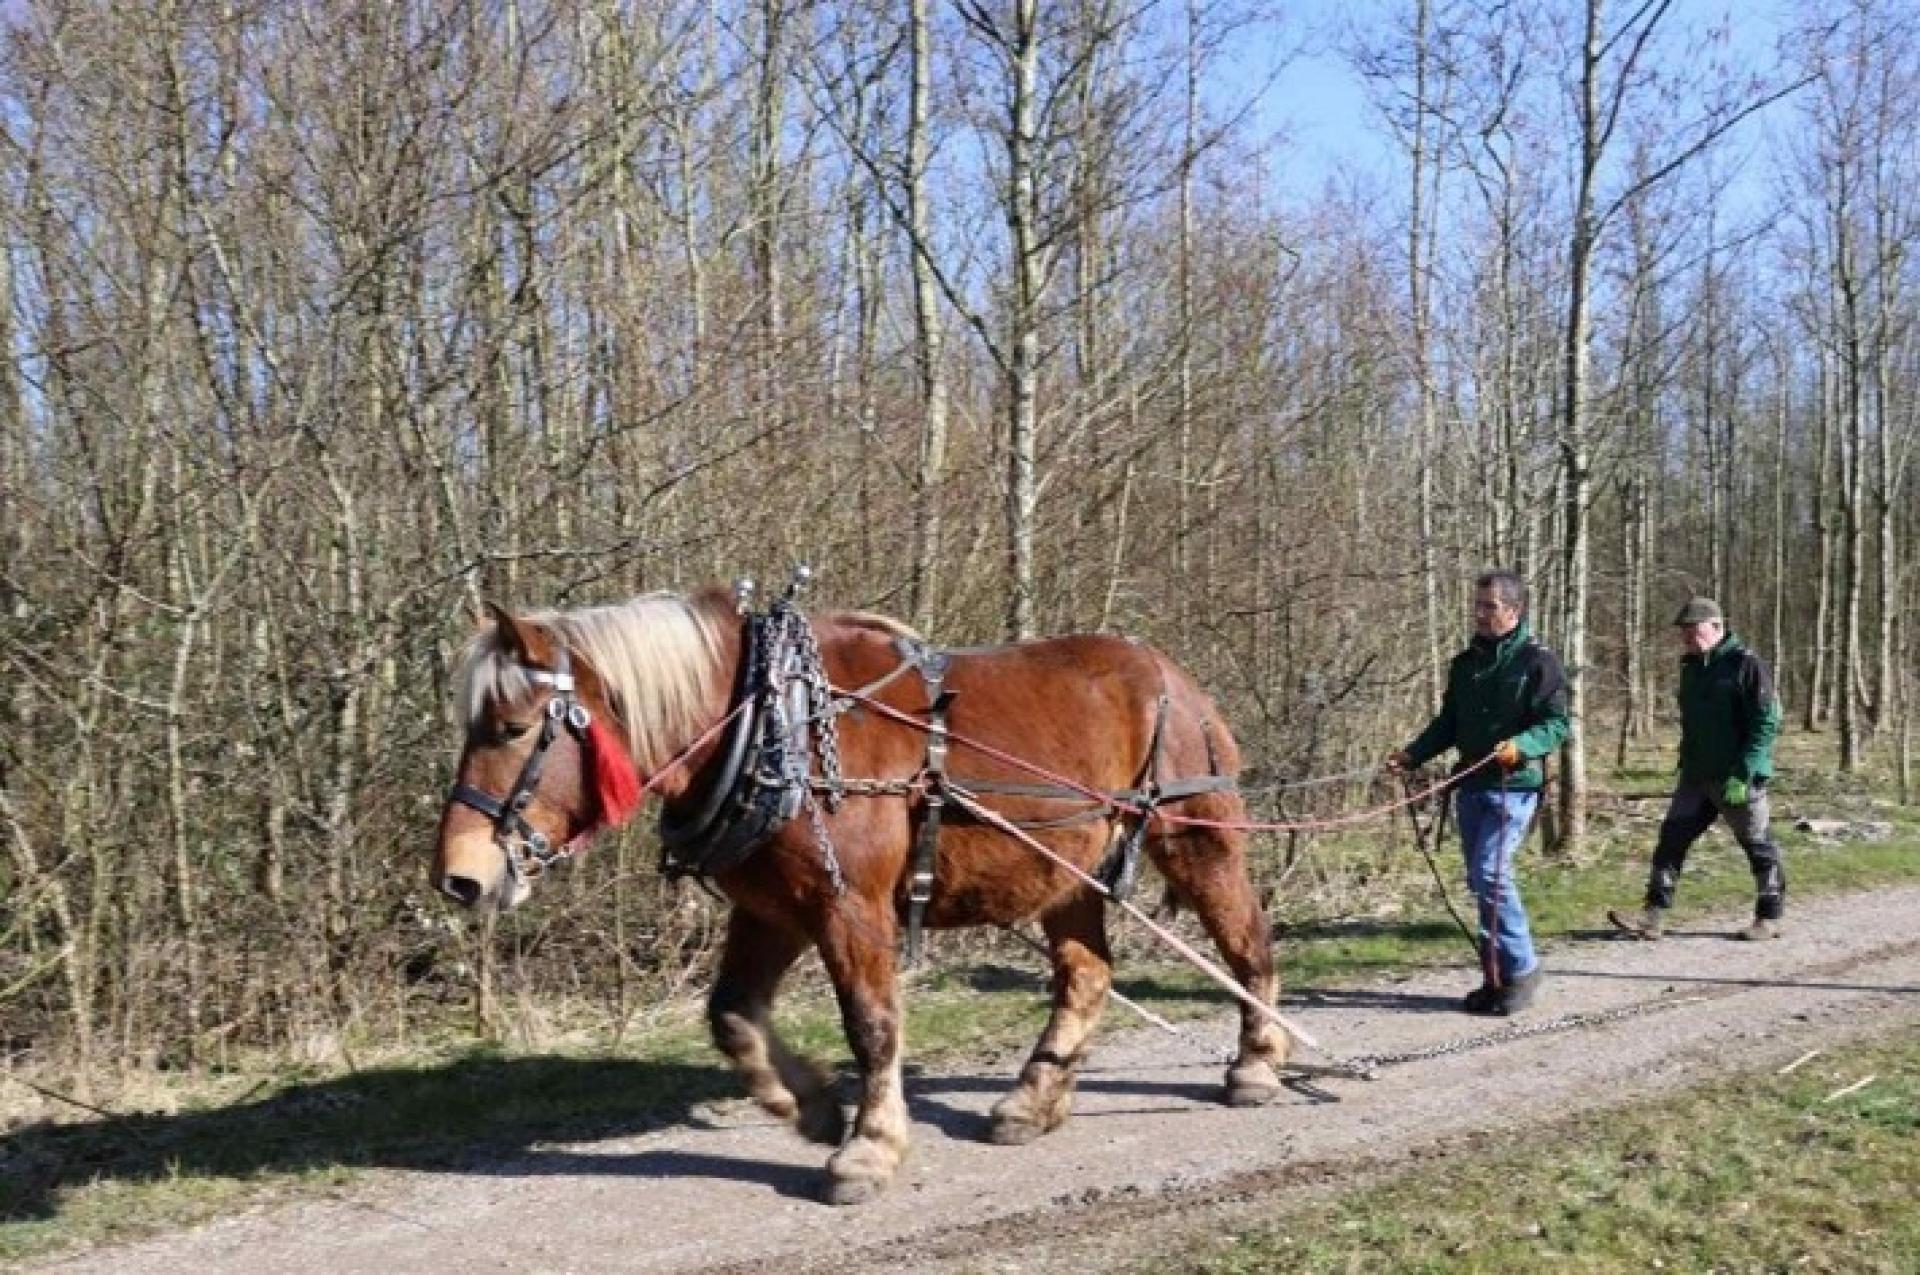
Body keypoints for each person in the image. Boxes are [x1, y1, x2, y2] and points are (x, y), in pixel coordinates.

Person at [1386, 570, 1570, 1015]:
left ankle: (1523, 969)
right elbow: (1449, 723)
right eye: (1478, 605)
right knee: (1480, 881)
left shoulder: (1537, 662)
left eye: (1489, 606)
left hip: (1515, 788)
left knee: (1491, 875)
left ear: (1514, 610)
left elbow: (1555, 725)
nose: (1480, 613)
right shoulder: (1465, 662)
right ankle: (1497, 978)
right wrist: (1413, 754)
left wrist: (1522, 747)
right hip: (1470, 785)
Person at [1609, 598, 1784, 942]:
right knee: (1672, 840)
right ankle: (1653, 916)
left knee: (1757, 844)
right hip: (1696, 775)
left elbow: (1767, 721)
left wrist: (1745, 770)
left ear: (1717, 627)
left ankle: (1769, 916)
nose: (1687, 636)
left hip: (1737, 776)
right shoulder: (1691, 667)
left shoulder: (1745, 665)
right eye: (1684, 630)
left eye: (1694, 628)